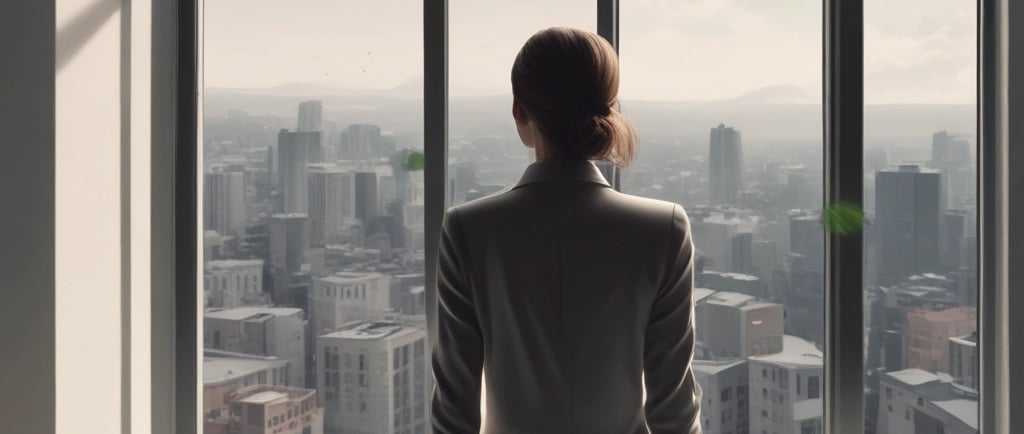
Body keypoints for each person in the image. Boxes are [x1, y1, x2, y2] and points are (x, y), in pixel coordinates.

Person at [431, 26, 703, 434]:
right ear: (608, 107)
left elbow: (455, 412)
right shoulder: (663, 229)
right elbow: (674, 413)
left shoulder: (468, 229)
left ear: (518, 110)